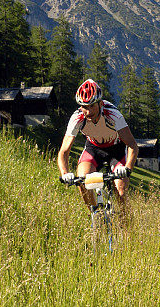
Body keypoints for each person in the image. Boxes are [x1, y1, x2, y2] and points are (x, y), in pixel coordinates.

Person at [58, 78, 138, 221]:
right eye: (84, 106)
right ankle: (96, 216)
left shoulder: (113, 114)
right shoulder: (77, 118)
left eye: (91, 106)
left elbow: (132, 145)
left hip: (116, 150)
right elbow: (64, 151)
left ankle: (127, 229)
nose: (88, 111)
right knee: (82, 181)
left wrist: (127, 168)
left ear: (100, 103)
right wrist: (65, 173)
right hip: (93, 149)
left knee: (120, 191)